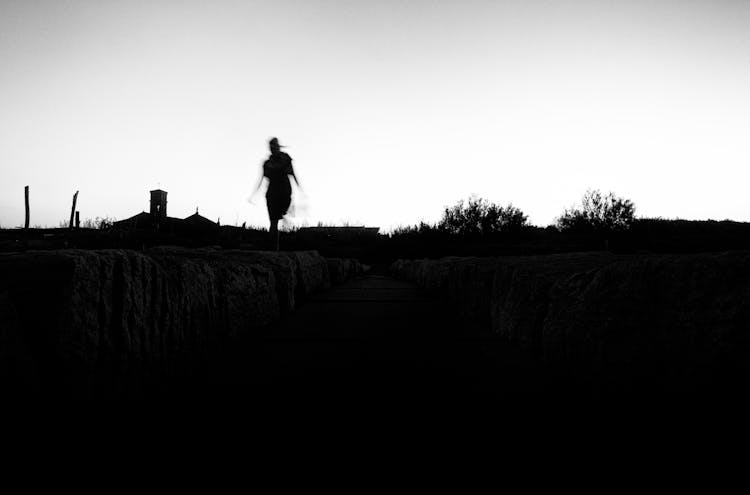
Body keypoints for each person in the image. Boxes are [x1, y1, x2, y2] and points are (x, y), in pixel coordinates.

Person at [253, 137, 299, 250]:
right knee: (273, 222)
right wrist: (254, 193)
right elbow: (261, 179)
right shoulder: (267, 163)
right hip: (272, 194)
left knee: (279, 216)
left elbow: (293, 173)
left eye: (274, 146)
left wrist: (299, 186)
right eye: (271, 147)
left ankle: (284, 215)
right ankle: (274, 249)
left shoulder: (285, 158)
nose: (273, 148)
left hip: (284, 192)